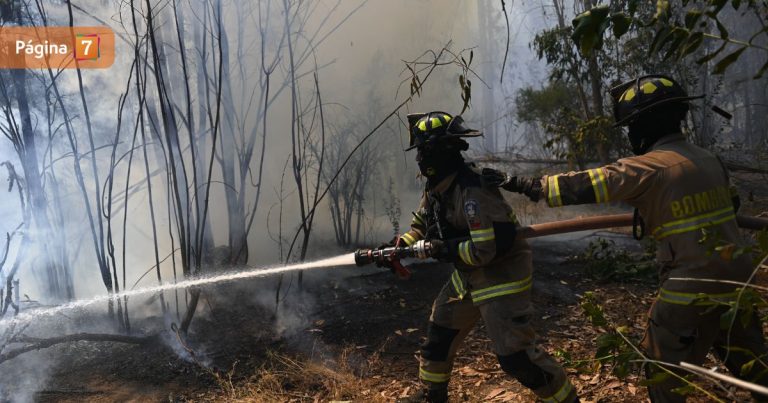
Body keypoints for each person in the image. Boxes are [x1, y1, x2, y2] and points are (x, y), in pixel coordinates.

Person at [483, 75, 768, 402]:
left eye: (633, 126)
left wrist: (522, 183)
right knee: (754, 365)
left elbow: (589, 184)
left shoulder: (648, 167)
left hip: (688, 284)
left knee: (662, 372)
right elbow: (730, 205)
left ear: (646, 125)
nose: (631, 134)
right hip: (740, 279)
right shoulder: (709, 159)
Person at [379, 111, 577, 403]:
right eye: (419, 150)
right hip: (468, 275)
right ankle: (432, 396)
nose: (421, 157)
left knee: (516, 358)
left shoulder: (472, 192)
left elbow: (485, 251)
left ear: (444, 150)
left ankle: (566, 400)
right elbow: (421, 223)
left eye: (426, 149)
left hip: (501, 277)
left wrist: (442, 249)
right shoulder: (438, 187)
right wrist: (399, 246)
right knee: (439, 337)